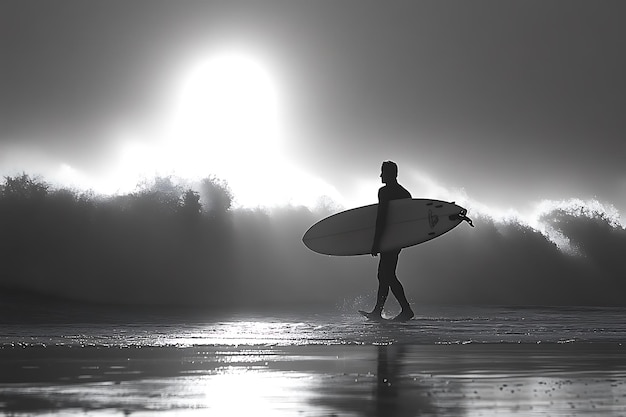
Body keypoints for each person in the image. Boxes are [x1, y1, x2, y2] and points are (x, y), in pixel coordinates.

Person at [366, 161, 415, 321]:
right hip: (398, 238)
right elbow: (408, 220)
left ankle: (406, 310)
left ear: (390, 173)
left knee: (388, 274)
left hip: (388, 238)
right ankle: (377, 311)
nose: (380, 175)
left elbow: (382, 217)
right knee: (383, 274)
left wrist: (376, 242)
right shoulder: (406, 193)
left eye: (382, 172)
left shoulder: (385, 191)